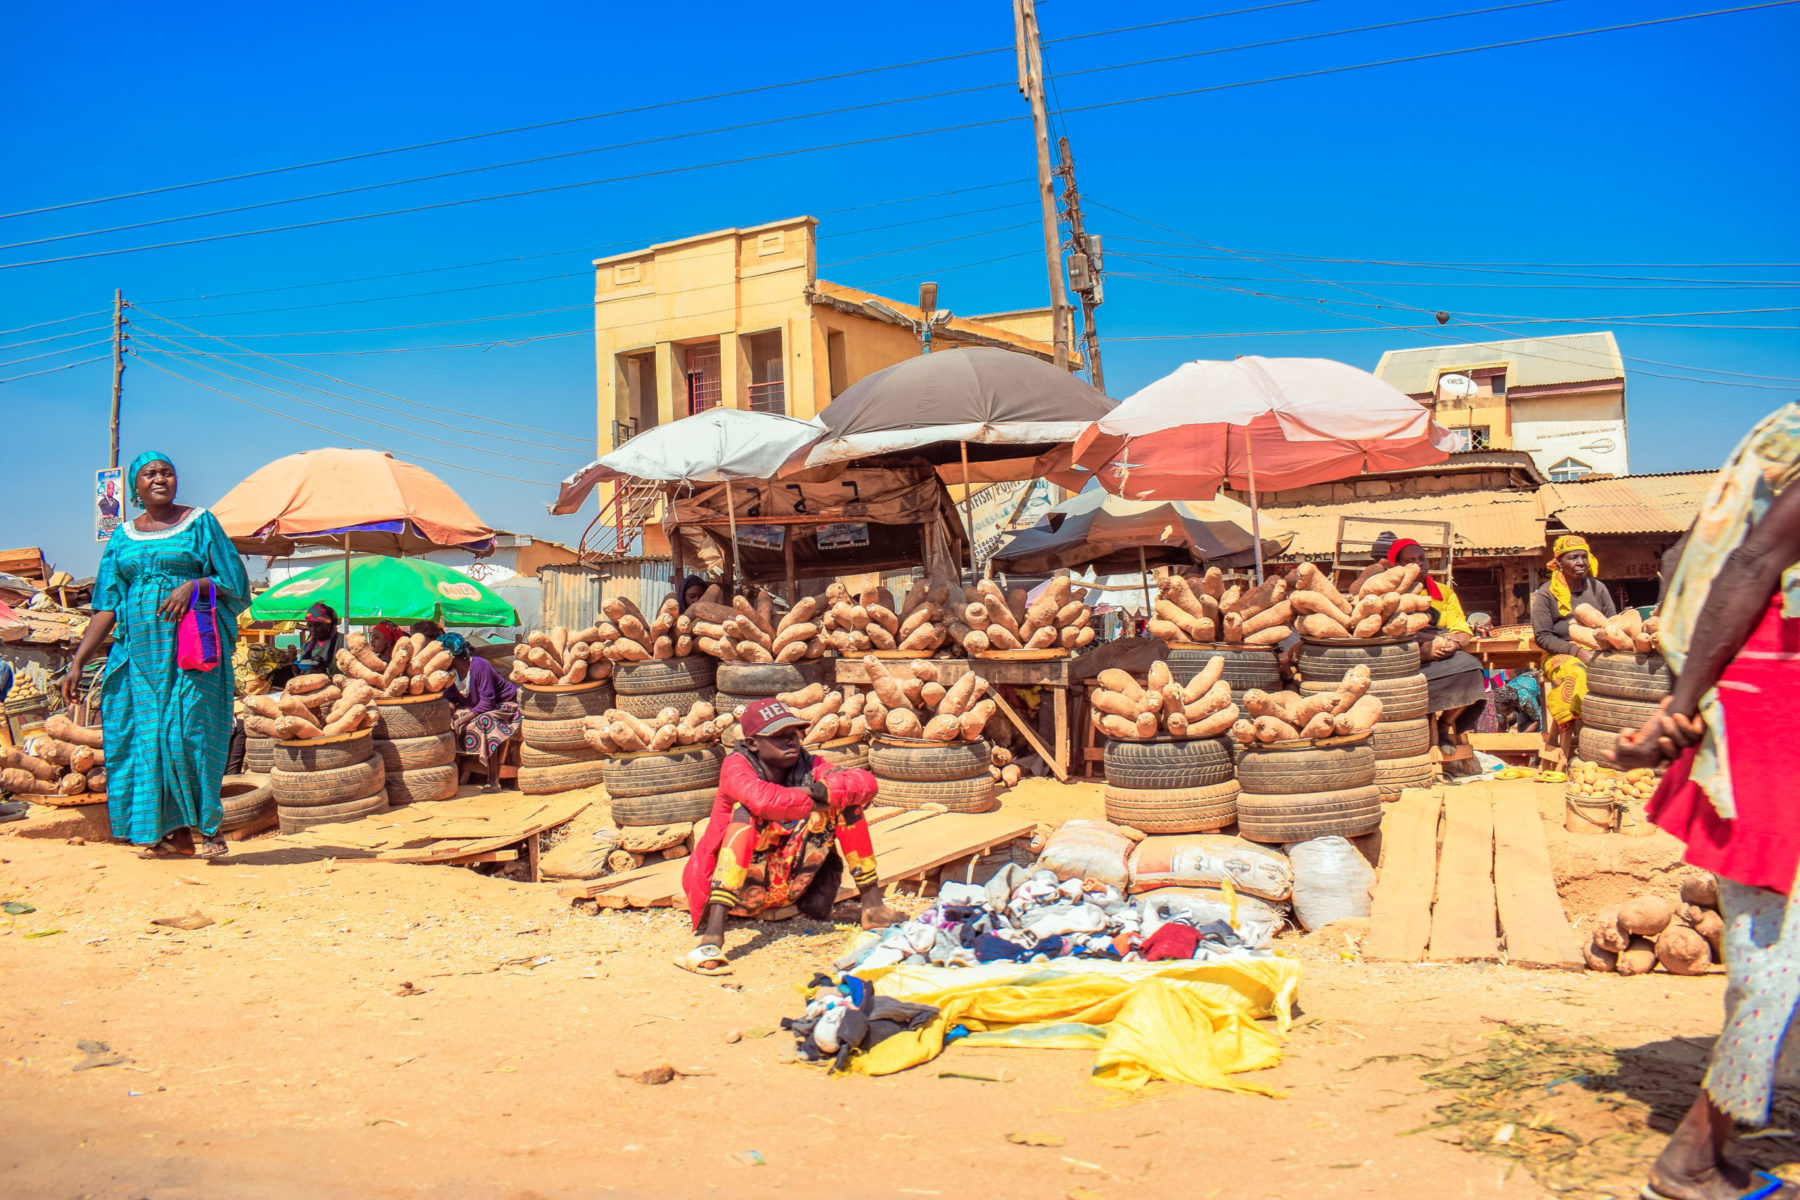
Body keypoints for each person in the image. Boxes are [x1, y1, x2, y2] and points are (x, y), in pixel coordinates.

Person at [1604, 401, 1800, 1200]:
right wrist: (1679, 707)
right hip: (1773, 710)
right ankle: (1691, 1159)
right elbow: (1751, 565)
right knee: (1776, 951)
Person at [61, 452, 251, 859]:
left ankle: (209, 830)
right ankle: (174, 835)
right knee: (146, 740)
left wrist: (196, 585)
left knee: (187, 735)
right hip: (140, 655)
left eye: (167, 472)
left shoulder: (200, 522)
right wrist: (77, 661)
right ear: (135, 487)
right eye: (150, 474)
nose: (160, 478)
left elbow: (234, 580)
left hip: (192, 652)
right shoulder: (123, 537)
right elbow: (107, 605)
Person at [681, 699, 904, 975]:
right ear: (752, 743)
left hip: (790, 886)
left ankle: (873, 908)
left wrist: (824, 793)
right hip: (738, 894)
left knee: (847, 804)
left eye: (795, 733)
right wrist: (818, 796)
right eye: (779, 736)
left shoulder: (809, 764)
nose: (792, 741)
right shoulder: (736, 767)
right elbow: (763, 801)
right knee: (746, 813)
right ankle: (713, 936)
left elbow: (864, 783)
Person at [1374, 534, 1488, 756]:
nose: (1418, 565)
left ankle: (1445, 725)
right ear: (1397, 566)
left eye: (1421, 559)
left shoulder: (1443, 592)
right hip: (1406, 653)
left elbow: (1461, 629)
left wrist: (1451, 644)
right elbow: (1386, 632)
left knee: (1472, 667)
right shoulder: (1388, 595)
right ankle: (1419, 729)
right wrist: (1424, 646)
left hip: (1443, 649)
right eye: (1410, 561)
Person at [1530, 534, 1617, 762]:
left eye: (1583, 557)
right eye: (1573, 557)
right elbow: (1542, 636)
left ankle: (1604, 739)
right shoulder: (1546, 593)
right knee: (1577, 671)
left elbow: (1613, 624)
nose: (1580, 562)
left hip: (1599, 651)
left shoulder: (1598, 589)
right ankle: (1577, 742)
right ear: (1558, 562)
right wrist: (1576, 651)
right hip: (1560, 653)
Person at [440, 632, 519, 793]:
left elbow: (487, 702)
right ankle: (455, 773)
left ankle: (493, 780)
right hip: (475, 706)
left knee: (485, 721)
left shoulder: (478, 665)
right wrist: (449, 713)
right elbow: (450, 699)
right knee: (450, 720)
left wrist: (462, 720)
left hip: (502, 706)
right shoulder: (450, 675)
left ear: (452, 656)